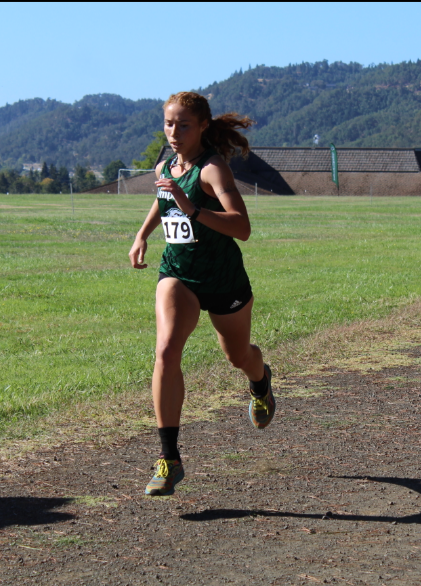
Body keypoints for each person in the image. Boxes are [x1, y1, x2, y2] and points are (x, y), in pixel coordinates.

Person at [128, 91, 275, 496]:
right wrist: (142, 235)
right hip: (179, 273)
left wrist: (192, 209)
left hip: (223, 278)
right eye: (168, 124)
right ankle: (169, 458)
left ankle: (260, 380)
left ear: (203, 126)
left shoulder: (213, 170)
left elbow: (241, 227)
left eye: (183, 125)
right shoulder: (165, 163)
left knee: (238, 356)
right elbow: (164, 199)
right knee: (166, 350)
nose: (174, 132)